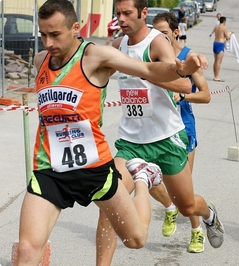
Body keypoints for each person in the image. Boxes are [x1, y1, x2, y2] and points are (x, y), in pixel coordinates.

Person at [16, 0, 205, 265]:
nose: (48, 43)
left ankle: (143, 177)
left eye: (55, 34)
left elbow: (147, 69)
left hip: (94, 169)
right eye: (43, 34)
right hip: (51, 169)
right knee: (26, 250)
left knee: (135, 239)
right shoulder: (41, 61)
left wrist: (180, 69)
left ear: (75, 28)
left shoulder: (97, 56)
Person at [96, 0, 224, 264]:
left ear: (143, 13)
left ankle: (209, 215)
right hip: (131, 141)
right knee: (110, 203)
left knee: (186, 206)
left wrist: (143, 71)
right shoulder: (118, 46)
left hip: (167, 138)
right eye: (117, 13)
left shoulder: (156, 43)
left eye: (127, 13)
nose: (121, 19)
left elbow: (183, 85)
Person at [152, 11, 211, 253]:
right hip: (154, 126)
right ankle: (169, 207)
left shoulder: (189, 57)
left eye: (164, 33)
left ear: (176, 32)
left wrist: (183, 95)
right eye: (155, 34)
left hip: (184, 127)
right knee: (145, 179)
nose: (159, 38)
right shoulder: (153, 56)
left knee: (183, 189)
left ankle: (197, 231)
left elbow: (206, 95)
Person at [209, 16, 233, 82]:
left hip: (215, 43)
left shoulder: (216, 27)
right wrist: (231, 34)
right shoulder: (224, 28)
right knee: (218, 62)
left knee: (215, 61)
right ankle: (216, 76)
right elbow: (227, 38)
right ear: (224, 21)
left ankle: (215, 75)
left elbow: (212, 33)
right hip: (220, 43)